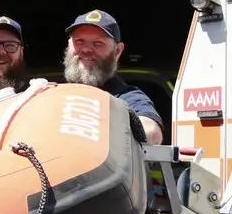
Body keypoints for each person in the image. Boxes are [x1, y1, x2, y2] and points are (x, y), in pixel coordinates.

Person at [63, 9, 165, 144]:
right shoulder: (49, 92)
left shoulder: (127, 98)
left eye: (98, 44)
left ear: (117, 51)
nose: (86, 49)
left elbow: (151, 131)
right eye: (79, 41)